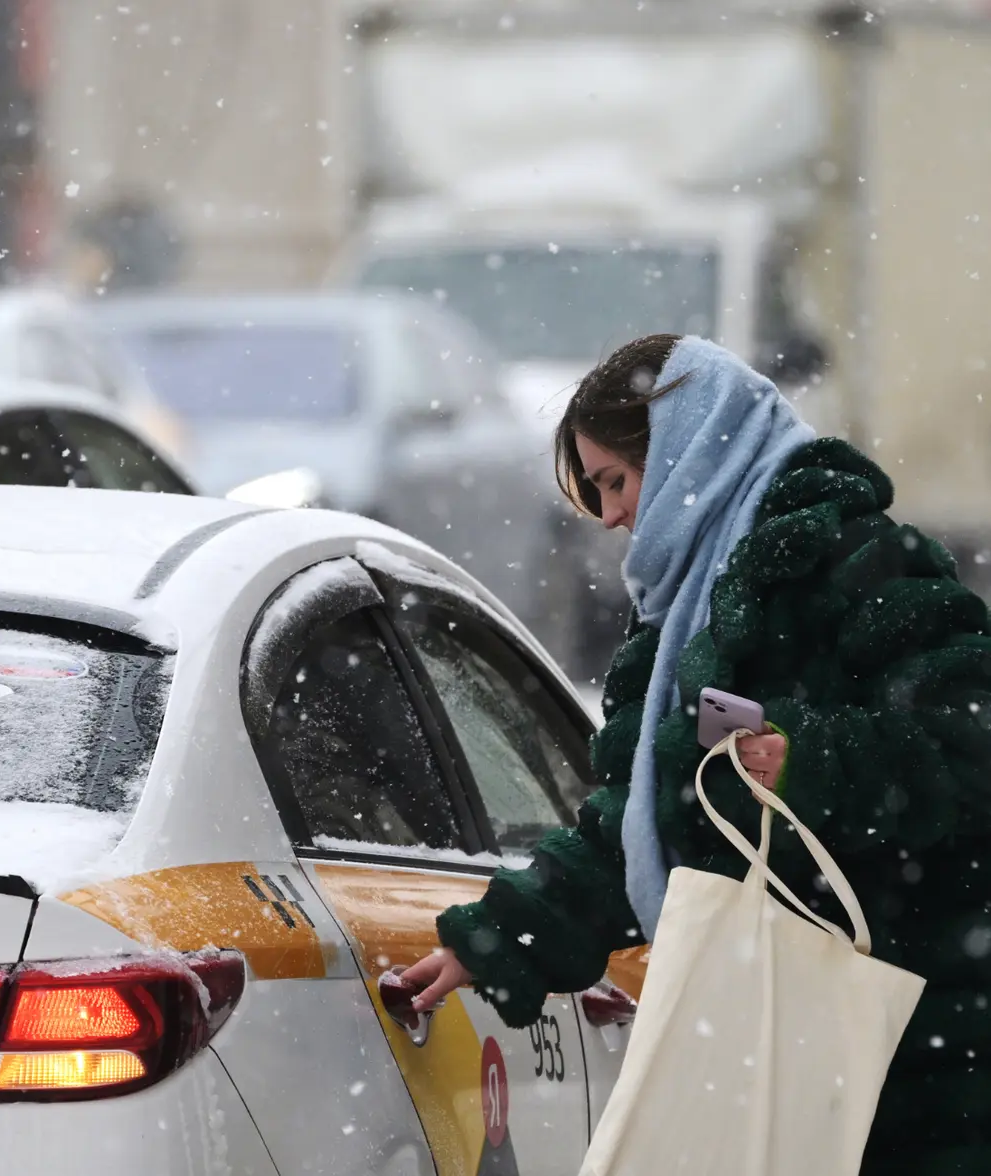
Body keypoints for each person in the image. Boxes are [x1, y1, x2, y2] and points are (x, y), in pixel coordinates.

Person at [400, 333, 991, 1172]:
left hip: (908, 1028)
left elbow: (969, 739)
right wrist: (498, 937)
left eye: (615, 481)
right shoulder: (686, 607)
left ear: (689, 452)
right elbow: (644, 814)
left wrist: (807, 762)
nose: (609, 516)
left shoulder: (853, 555)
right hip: (779, 1018)